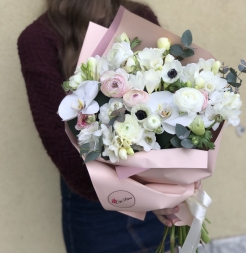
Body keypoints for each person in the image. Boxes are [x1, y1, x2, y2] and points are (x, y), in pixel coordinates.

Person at [18, 1, 179, 252]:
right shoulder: (39, 39)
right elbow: (62, 147)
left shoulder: (138, 16)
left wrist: (173, 181)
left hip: (155, 196)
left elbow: (168, 100)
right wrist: (144, 196)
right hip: (93, 205)